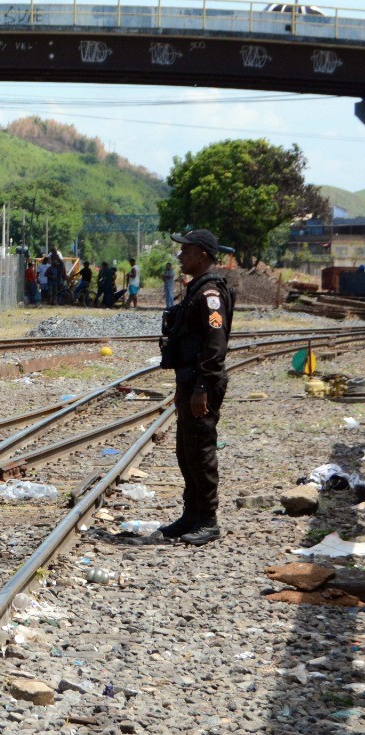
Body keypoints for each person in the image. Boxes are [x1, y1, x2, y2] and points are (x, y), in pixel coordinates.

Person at [158, 228, 233, 546]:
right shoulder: (196, 290)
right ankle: (192, 514)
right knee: (186, 451)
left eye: (186, 251)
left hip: (202, 384)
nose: (180, 256)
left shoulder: (210, 295)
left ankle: (207, 520)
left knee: (201, 451)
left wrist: (202, 387)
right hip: (189, 382)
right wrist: (183, 387)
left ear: (202, 255)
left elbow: (215, 347)